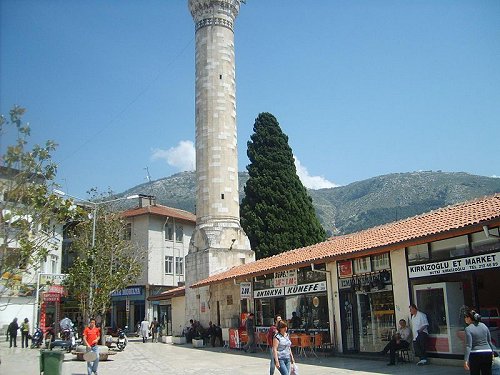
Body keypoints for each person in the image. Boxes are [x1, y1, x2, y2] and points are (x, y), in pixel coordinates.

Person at [464, 309, 496, 375]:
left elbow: (469, 345)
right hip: (488, 352)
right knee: (487, 373)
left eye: (465, 317)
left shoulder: (468, 329)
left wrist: (466, 360)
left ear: (469, 318)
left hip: (475, 354)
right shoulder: (484, 326)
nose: (465, 319)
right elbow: (489, 342)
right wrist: (492, 353)